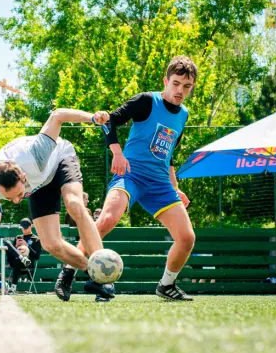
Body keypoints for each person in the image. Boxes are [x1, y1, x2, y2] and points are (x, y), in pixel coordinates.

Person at [0, 108, 114, 302]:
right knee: (51, 244)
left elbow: (57, 115)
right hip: (38, 185)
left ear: (23, 177)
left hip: (59, 160)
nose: (18, 200)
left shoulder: (36, 153)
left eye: (18, 195)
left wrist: (92, 118)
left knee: (74, 204)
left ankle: (105, 271)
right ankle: (96, 275)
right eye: (10, 198)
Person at [58, 56, 197, 302]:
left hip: (159, 184)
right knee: (107, 219)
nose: (180, 91)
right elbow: (109, 121)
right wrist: (117, 153)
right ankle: (68, 272)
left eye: (186, 86)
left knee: (187, 238)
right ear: (166, 81)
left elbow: (170, 155)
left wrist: (175, 187)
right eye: (176, 84)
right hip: (130, 174)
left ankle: (166, 285)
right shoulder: (147, 101)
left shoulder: (183, 114)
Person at [6, 218, 42, 288]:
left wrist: (27, 245)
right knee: (7, 243)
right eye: (22, 228)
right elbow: (11, 253)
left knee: (18, 260)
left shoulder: (36, 239)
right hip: (14, 261)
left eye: (26, 228)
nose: (24, 230)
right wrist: (16, 246)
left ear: (31, 226)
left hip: (27, 263)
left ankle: (13, 287)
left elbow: (37, 257)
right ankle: (22, 258)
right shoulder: (18, 237)